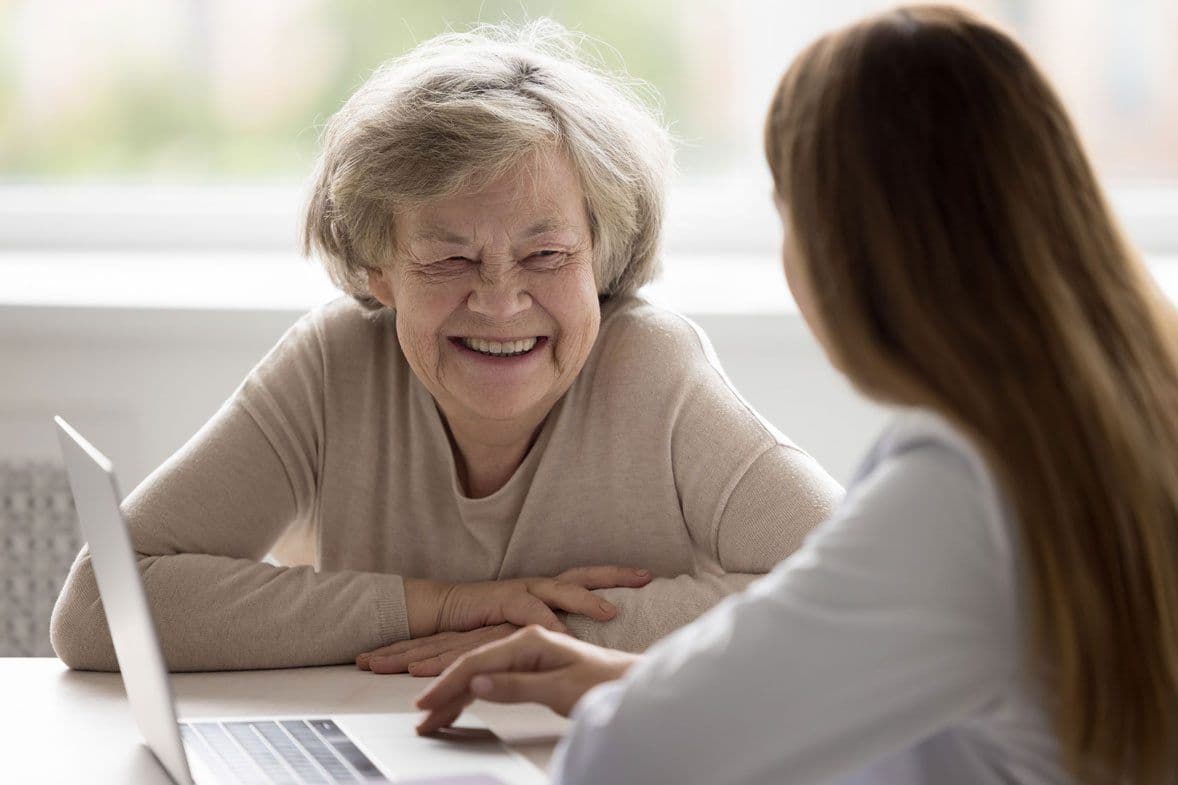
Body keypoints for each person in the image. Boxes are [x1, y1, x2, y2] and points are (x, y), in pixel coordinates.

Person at [414, 7, 1178, 785]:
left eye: (788, 212)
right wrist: (633, 682)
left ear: (849, 247)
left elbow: (630, 756)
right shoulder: (1125, 414)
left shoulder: (964, 488)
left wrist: (644, 702)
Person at [49, 20, 841, 674]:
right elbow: (95, 613)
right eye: (448, 259)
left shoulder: (652, 370)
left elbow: (860, 584)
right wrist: (439, 604)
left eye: (547, 255)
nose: (500, 301)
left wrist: (564, 634)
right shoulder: (334, 366)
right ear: (377, 268)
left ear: (602, 255)